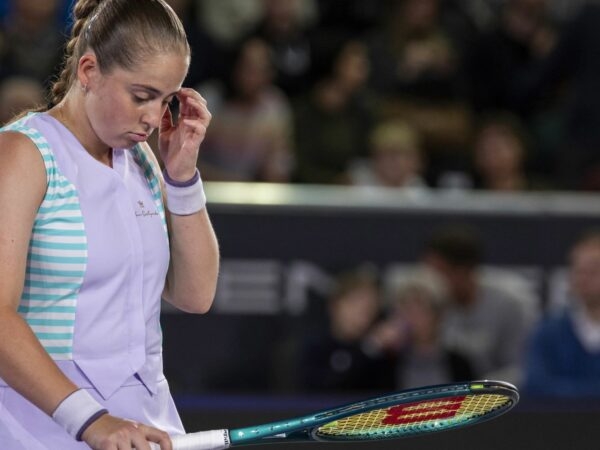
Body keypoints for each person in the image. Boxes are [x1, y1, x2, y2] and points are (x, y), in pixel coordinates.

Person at [0, 0, 219, 449]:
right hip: (40, 427)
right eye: (141, 96)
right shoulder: (23, 154)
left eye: (167, 99)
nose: (154, 119)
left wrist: (181, 176)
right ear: (88, 70)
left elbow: (195, 295)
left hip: (144, 426)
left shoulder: (142, 158)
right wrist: (92, 421)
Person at [420, 224, 537, 385]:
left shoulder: (509, 304)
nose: (431, 281)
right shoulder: (429, 304)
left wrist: (477, 390)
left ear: (462, 271)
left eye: (439, 273)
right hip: (447, 399)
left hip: (499, 398)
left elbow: (521, 367)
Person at [367, 267, 474, 389]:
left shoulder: (460, 364)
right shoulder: (386, 364)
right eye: (406, 309)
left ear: (438, 315)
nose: (412, 317)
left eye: (421, 309)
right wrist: (373, 345)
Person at [523, 229, 600, 398]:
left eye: (593, 270)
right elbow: (536, 383)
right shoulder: (550, 330)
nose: (584, 277)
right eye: (579, 270)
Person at [296, 268, 394, 393]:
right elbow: (324, 391)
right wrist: (369, 348)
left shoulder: (383, 353)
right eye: (356, 302)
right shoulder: (315, 348)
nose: (363, 311)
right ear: (335, 306)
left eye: (371, 305)